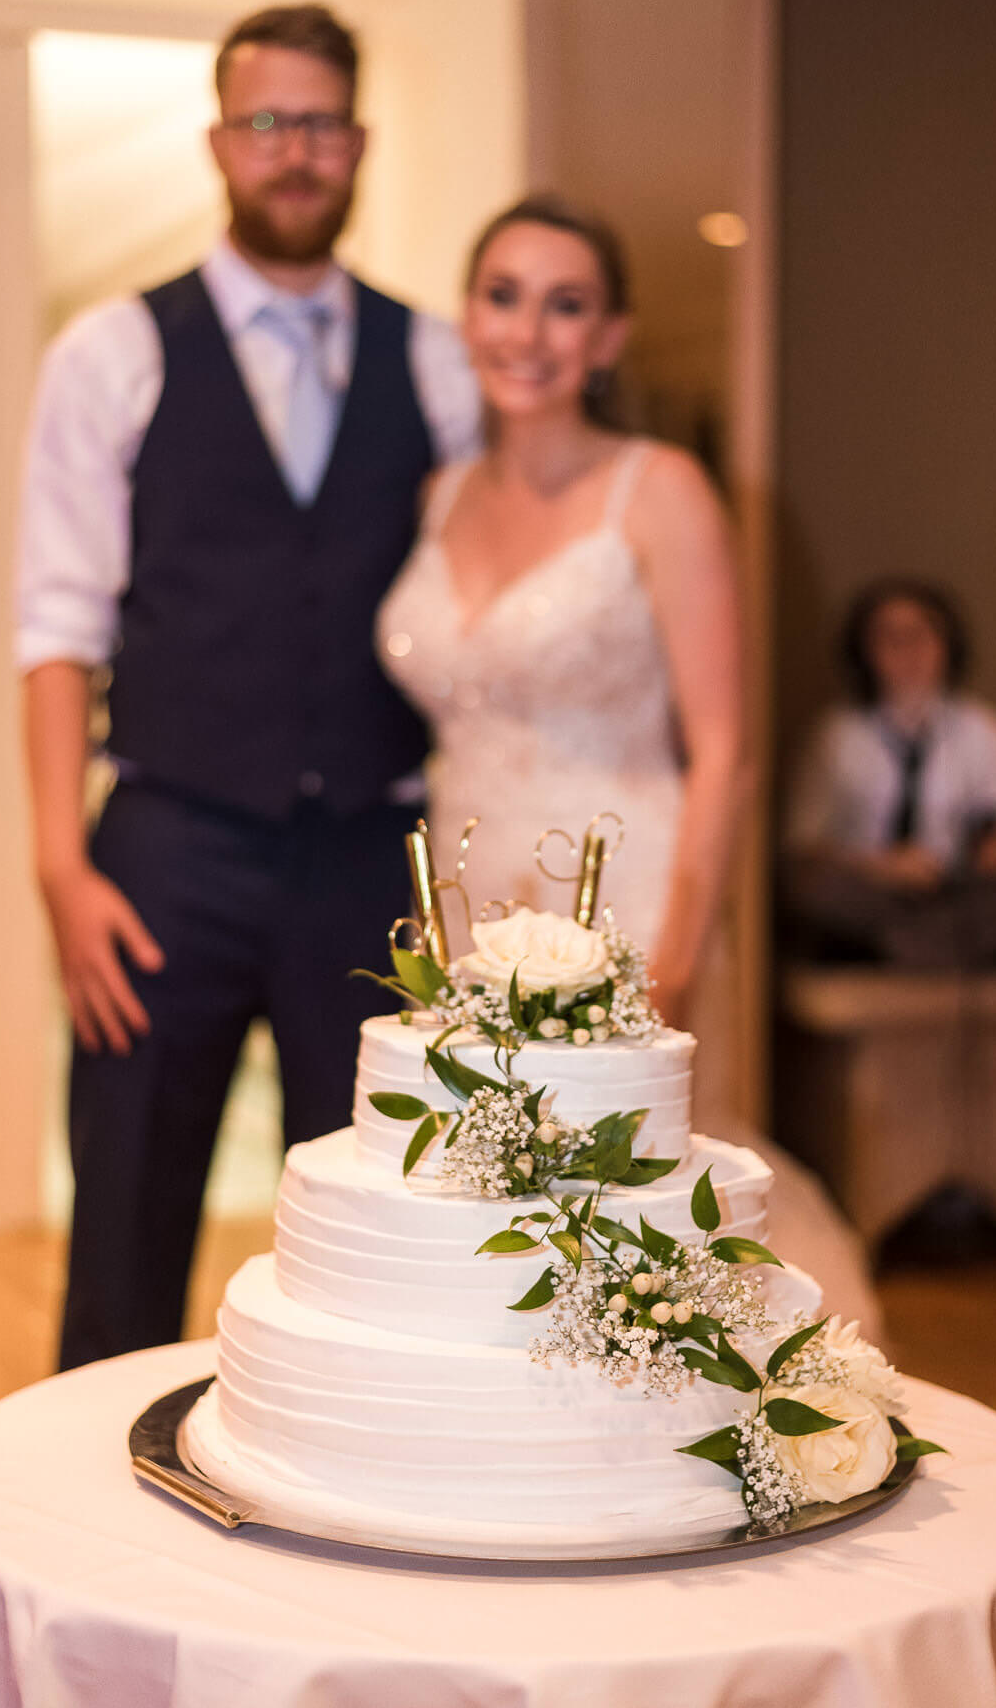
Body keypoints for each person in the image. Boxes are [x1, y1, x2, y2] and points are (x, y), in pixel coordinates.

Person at [18, 4, 480, 1370]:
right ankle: (87, 1536)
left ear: (359, 145)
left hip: (363, 857)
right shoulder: (113, 352)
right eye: (267, 122)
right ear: (220, 141)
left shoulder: (440, 361)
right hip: (166, 847)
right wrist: (60, 864)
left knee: (372, 1219)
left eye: (321, 124)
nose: (295, 151)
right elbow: (57, 622)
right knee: (125, 1218)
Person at [376, 194, 881, 1332]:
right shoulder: (438, 495)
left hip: (629, 900)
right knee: (490, 1200)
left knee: (645, 1218)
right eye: (504, 297)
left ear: (607, 338)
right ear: (467, 316)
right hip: (471, 909)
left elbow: (727, 750)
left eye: (568, 307)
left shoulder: (660, 491)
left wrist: (678, 953)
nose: (530, 333)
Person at [781, 578, 996, 967]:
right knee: (815, 889)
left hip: (956, 891)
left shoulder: (980, 729)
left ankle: (915, 947)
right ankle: (927, 947)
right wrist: (882, 866)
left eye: (921, 636)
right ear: (864, 651)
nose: (909, 652)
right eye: (891, 639)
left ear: (947, 644)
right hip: (875, 894)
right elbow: (803, 846)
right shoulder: (837, 736)